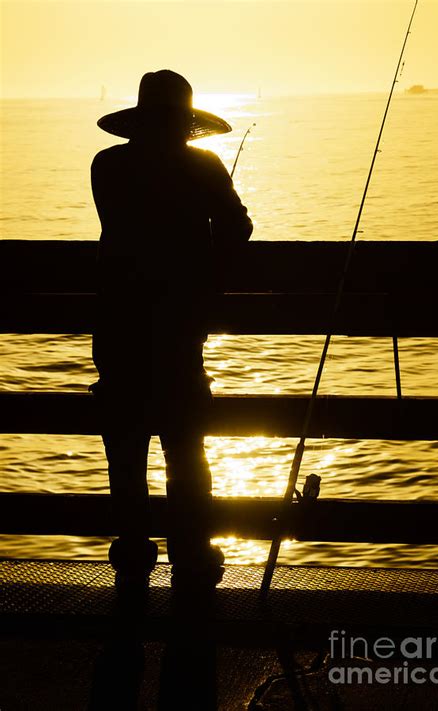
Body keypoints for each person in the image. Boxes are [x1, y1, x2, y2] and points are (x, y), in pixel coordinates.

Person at [90, 70, 253, 592]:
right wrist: (208, 277)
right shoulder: (202, 167)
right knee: (185, 447)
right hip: (179, 327)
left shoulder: (107, 166)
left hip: (117, 326)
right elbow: (238, 228)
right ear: (185, 122)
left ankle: (133, 554)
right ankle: (191, 554)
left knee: (126, 447)